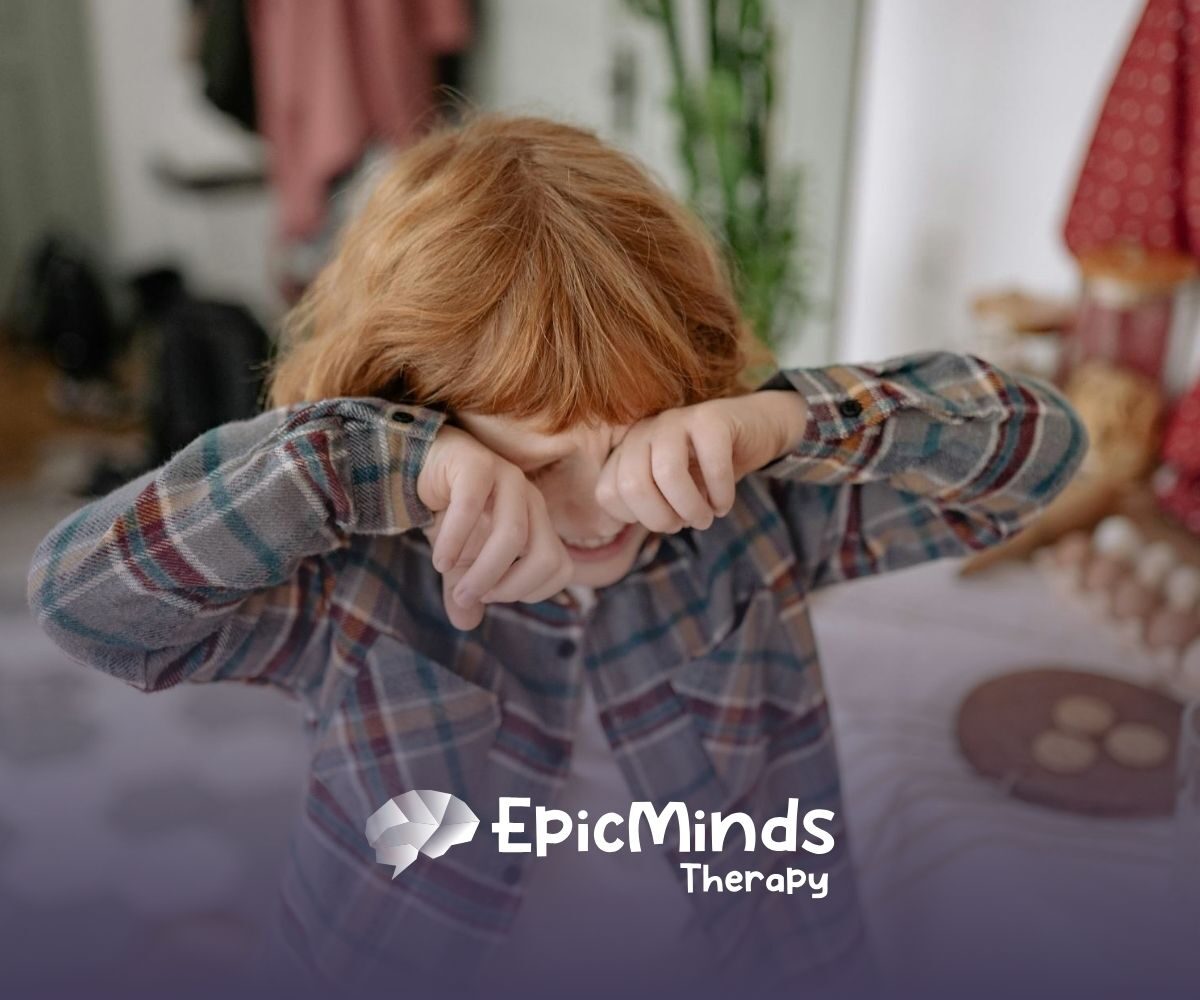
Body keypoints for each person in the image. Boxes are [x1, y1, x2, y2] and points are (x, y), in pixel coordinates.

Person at [27, 114, 1087, 997]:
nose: (599, 507)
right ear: (413, 419)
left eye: (630, 441)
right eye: (535, 464)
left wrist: (786, 421)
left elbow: (1037, 462)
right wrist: (359, 464)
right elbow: (85, 604)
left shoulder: (746, 519)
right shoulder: (358, 578)